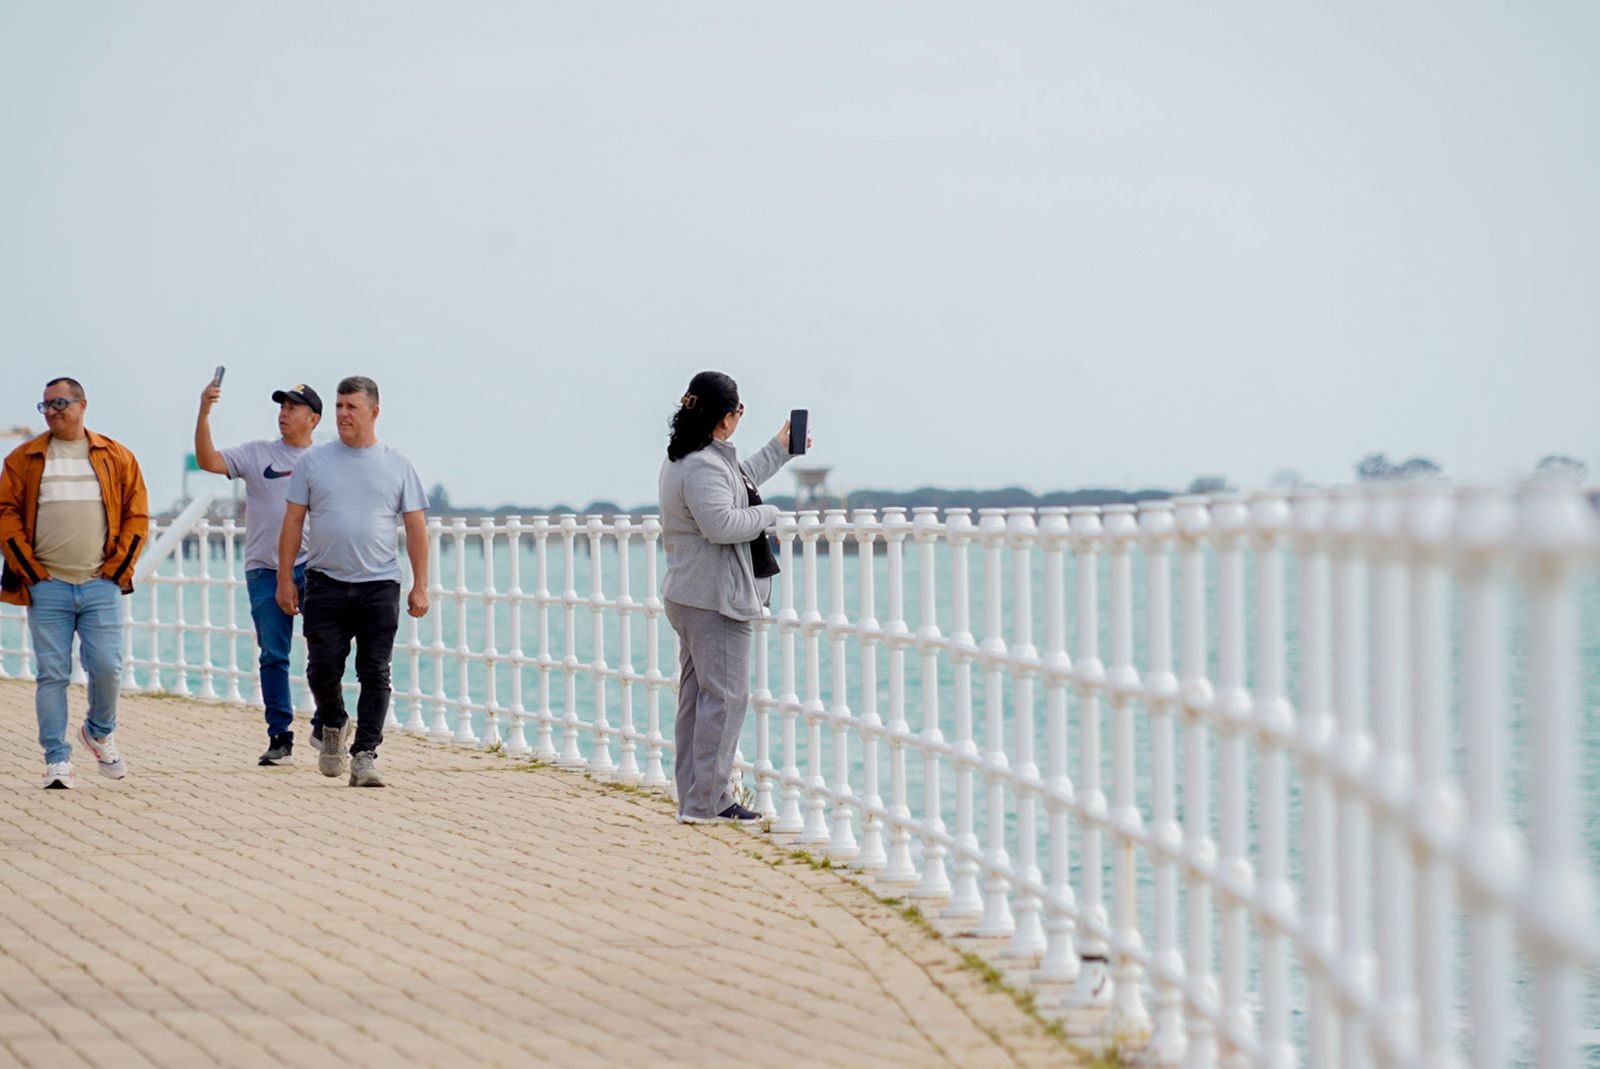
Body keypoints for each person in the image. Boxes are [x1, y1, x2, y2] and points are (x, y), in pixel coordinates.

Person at [658, 371, 806, 825]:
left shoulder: (693, 457)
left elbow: (741, 479)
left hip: (693, 594)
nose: (740, 417)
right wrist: (770, 514)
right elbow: (722, 524)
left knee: (698, 699)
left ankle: (699, 798)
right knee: (725, 698)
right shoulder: (703, 466)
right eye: (739, 411)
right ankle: (706, 803)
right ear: (724, 417)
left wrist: (781, 447)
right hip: (714, 598)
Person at [276, 376, 429, 788]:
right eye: (340, 406)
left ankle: (365, 755)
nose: (343, 414)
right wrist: (284, 578)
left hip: (380, 585)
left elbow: (416, 528)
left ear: (374, 412)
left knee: (375, 672)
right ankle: (334, 722)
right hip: (324, 581)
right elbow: (292, 521)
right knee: (321, 669)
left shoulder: (397, 464)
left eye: (352, 407)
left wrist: (421, 584)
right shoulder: (313, 462)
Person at [0, 377, 148, 789]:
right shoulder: (23, 459)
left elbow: (136, 515)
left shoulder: (115, 456)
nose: (52, 411)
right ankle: (56, 758)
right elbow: (6, 513)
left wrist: (118, 570)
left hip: (101, 583)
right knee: (52, 675)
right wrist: (29, 571)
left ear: (83, 404)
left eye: (60, 402)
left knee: (107, 668)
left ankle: (99, 732)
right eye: (45, 405)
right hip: (46, 585)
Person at [195, 379, 323, 766]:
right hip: (264, 570)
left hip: (316, 567)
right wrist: (203, 412)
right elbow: (208, 461)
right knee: (273, 654)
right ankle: (279, 735)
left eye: (292, 408)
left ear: (313, 418)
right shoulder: (256, 454)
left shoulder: (325, 461)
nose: (283, 413)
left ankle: (326, 719)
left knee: (324, 651)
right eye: (281, 407)